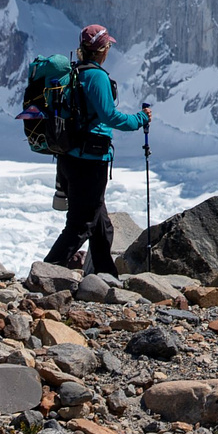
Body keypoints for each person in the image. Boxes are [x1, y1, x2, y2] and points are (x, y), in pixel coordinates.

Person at [45, 23, 148, 273]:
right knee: (81, 224)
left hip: (69, 158)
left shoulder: (74, 72)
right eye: (108, 45)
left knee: (101, 225)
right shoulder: (96, 76)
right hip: (90, 160)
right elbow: (109, 116)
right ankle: (47, 270)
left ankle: (105, 276)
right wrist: (140, 119)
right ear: (103, 49)